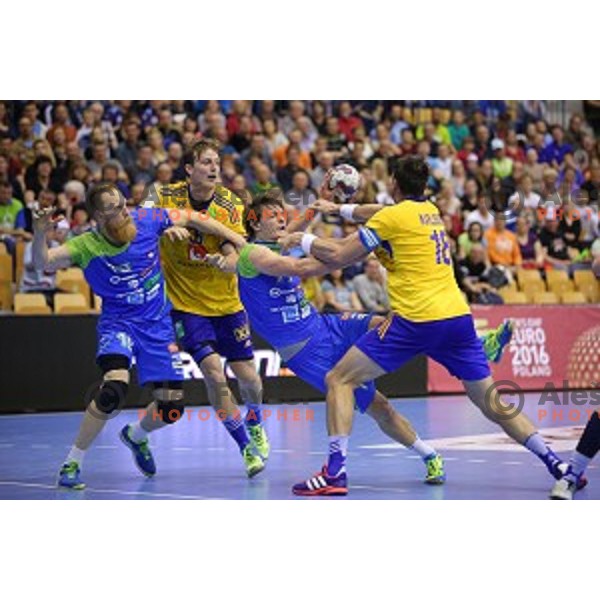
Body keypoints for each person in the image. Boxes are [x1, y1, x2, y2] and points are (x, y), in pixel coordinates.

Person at [279, 156, 575, 496]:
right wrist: (337, 209)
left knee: (339, 379)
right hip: (457, 319)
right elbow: (376, 211)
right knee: (491, 403)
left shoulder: (392, 217)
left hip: (415, 322)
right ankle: (558, 464)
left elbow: (339, 255)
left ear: (393, 183)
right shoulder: (429, 210)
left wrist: (301, 240)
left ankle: (334, 473)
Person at [31, 182, 246, 490]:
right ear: (99, 218)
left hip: (157, 326)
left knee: (171, 410)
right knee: (112, 391)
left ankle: (136, 435)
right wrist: (40, 232)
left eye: (123, 203)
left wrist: (238, 239)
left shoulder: (147, 219)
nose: (125, 212)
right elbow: (43, 262)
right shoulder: (86, 246)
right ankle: (72, 462)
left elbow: (196, 218)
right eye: (115, 209)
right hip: (119, 324)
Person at [148, 139, 269, 478]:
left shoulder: (230, 204)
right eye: (206, 162)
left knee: (251, 381)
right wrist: (164, 225)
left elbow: (235, 247)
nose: (214, 168)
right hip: (187, 305)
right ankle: (246, 447)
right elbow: (140, 223)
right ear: (189, 169)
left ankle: (255, 418)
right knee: (215, 375)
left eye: (217, 162)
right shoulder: (163, 197)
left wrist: (227, 259)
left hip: (227, 303)